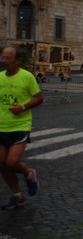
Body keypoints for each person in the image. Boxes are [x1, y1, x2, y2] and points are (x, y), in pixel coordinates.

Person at [0, 46, 44, 209]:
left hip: (19, 126)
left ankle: (28, 173)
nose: (4, 61)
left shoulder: (27, 77)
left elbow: (39, 98)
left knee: (11, 163)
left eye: (8, 58)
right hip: (1, 126)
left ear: (17, 60)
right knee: (1, 164)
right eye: (3, 58)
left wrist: (23, 107)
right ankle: (17, 196)